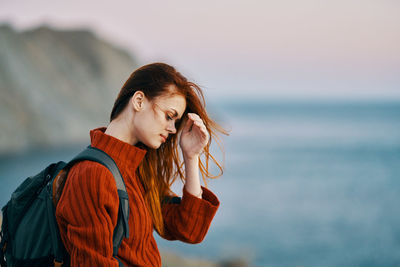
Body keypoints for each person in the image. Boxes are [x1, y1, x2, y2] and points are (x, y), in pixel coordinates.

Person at [55, 62, 228, 266]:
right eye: (169, 116)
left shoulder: (137, 169)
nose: (173, 129)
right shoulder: (92, 174)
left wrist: (191, 157)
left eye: (176, 122)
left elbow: (189, 229)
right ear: (138, 101)